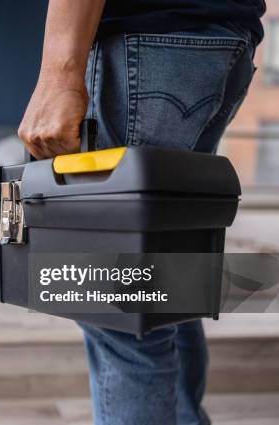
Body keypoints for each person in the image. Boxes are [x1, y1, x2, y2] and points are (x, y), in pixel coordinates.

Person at [18, 1, 265, 424]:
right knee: (166, 281)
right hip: (221, 40)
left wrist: (58, 73)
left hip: (147, 46)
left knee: (114, 304)